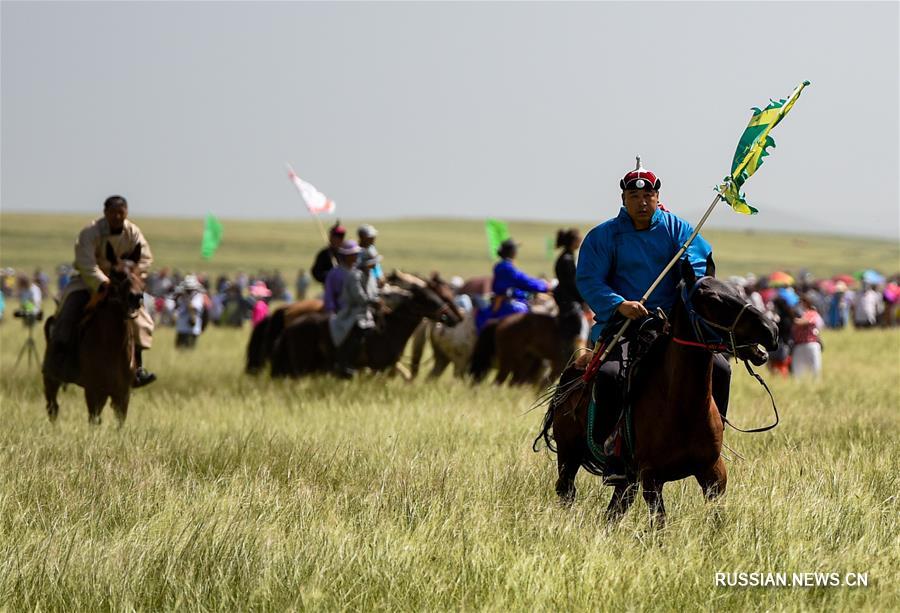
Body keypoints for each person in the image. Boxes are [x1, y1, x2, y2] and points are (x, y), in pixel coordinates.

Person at [575, 161, 728, 482]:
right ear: (623, 199)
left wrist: (690, 282)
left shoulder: (680, 231)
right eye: (634, 196)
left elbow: (699, 270)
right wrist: (620, 304)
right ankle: (613, 451)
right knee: (608, 374)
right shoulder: (603, 236)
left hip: (673, 329)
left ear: (658, 197)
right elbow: (589, 280)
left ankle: (712, 439)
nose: (642, 203)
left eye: (648, 196)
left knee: (722, 368)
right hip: (622, 328)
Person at [43, 195, 156, 387]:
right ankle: (59, 360)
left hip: (122, 286)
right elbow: (85, 262)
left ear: (126, 212)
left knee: (138, 318)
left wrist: (130, 278)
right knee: (69, 312)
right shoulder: (90, 232)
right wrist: (103, 282)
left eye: (121, 213)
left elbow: (144, 260)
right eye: (114, 213)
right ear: (105, 213)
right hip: (89, 283)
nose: (118, 217)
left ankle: (136, 368)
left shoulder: (133, 232)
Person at [329, 240, 380, 379]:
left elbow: (374, 292)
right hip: (352, 313)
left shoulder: (370, 276)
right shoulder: (354, 276)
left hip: (367, 312)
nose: (374, 264)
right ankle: (345, 363)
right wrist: (374, 301)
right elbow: (359, 298)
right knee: (355, 334)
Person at [475, 239, 549, 332]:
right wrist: (544, 286)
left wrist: (527, 295)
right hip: (506, 304)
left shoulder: (503, 265)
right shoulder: (506, 268)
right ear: (513, 252)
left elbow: (515, 287)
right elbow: (523, 281)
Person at [553, 228, 586, 343]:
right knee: (578, 328)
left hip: (564, 296)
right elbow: (572, 284)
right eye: (579, 240)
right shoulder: (567, 259)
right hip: (567, 299)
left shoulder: (566, 257)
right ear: (573, 241)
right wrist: (583, 300)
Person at [791, 294, 824, 377]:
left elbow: (806, 321)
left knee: (815, 369)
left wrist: (795, 320)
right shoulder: (795, 314)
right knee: (798, 371)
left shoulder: (812, 313)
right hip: (798, 345)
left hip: (811, 343)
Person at [324, 241, 360, 314]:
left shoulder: (360, 271)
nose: (356, 256)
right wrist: (331, 311)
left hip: (359, 312)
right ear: (345, 256)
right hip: (341, 313)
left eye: (356, 254)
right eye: (353, 254)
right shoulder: (334, 273)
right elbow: (329, 294)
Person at [174, 275, 205, 349]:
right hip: (181, 327)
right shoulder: (181, 297)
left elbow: (194, 307)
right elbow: (177, 309)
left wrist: (187, 300)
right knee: (178, 348)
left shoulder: (198, 297)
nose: (188, 291)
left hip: (193, 329)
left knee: (190, 348)